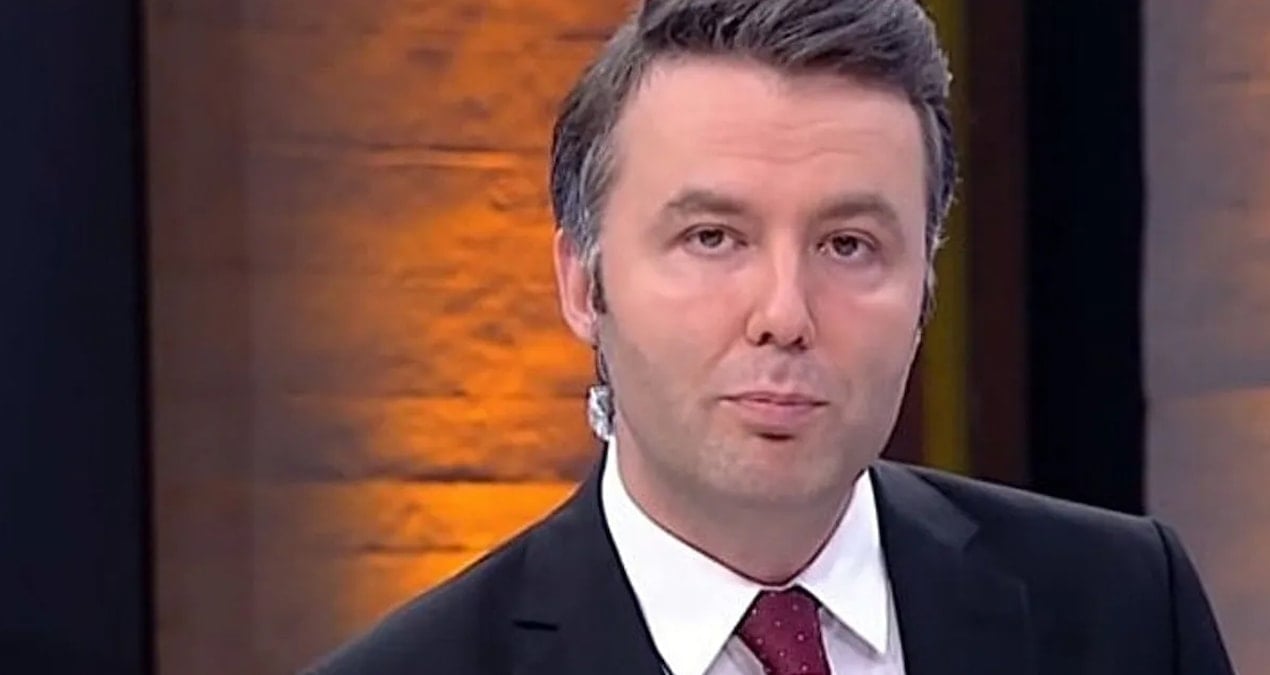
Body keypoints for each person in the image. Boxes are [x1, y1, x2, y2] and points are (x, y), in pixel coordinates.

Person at [309, 1, 1233, 673]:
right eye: (714, 238)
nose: (785, 313)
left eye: (848, 244)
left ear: (925, 287)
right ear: (584, 285)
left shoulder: (1125, 612)